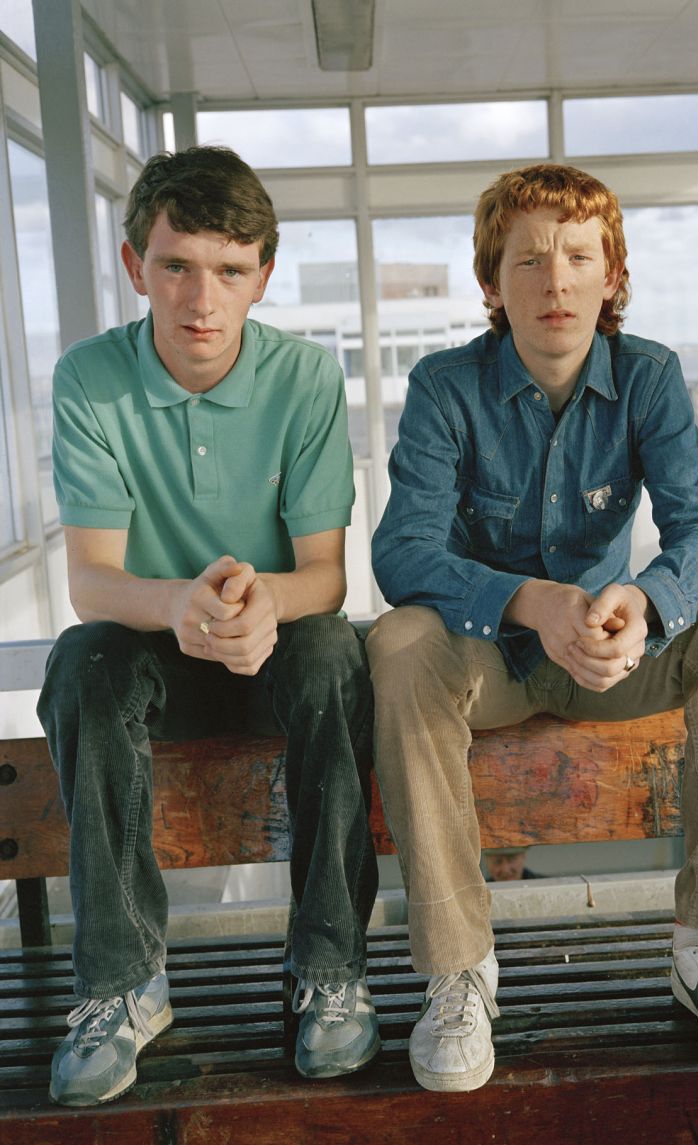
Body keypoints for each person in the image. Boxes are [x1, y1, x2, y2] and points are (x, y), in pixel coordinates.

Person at [366, 163, 698, 1094]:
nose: (554, 281)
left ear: (612, 276)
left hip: (612, 656)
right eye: (527, 260)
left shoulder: (650, 376)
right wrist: (528, 599)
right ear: (492, 283)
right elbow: (402, 551)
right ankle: (459, 968)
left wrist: (643, 603)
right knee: (396, 642)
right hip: (493, 660)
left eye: (577, 258)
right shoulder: (444, 386)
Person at [37, 146, 379, 1107]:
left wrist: (263, 600)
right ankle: (122, 984)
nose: (201, 299)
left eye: (230, 270)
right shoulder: (88, 379)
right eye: (177, 265)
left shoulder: (305, 377)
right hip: (151, 652)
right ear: (134, 265)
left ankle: (330, 969)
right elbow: (92, 582)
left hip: (276, 645)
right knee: (82, 661)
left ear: (263, 274)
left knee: (335, 651)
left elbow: (325, 576)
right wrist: (178, 604)